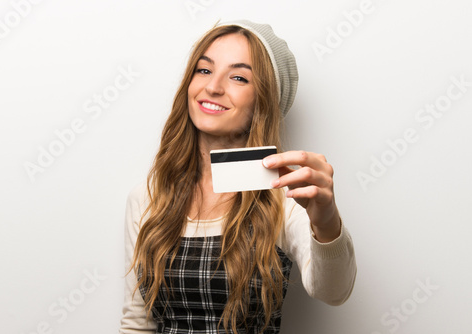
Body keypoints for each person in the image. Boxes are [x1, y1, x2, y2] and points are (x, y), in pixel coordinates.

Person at [119, 20, 356, 334]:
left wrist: (326, 219)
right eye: (204, 70)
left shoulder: (285, 195)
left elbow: (333, 292)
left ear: (264, 99)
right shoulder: (148, 197)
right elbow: (137, 323)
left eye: (239, 77)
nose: (213, 87)